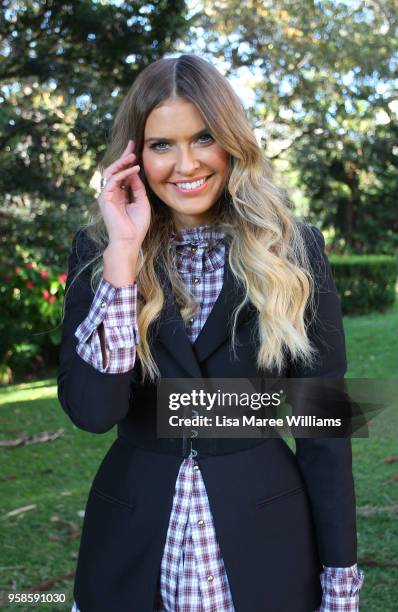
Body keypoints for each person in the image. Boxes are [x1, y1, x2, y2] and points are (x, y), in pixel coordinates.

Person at [58, 54, 364, 612]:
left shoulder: (294, 250)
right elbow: (92, 413)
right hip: (130, 548)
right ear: (135, 154)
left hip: (267, 541)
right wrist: (122, 255)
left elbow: (323, 426)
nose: (185, 163)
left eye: (203, 138)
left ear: (231, 142)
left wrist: (340, 575)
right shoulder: (100, 252)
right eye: (161, 145)